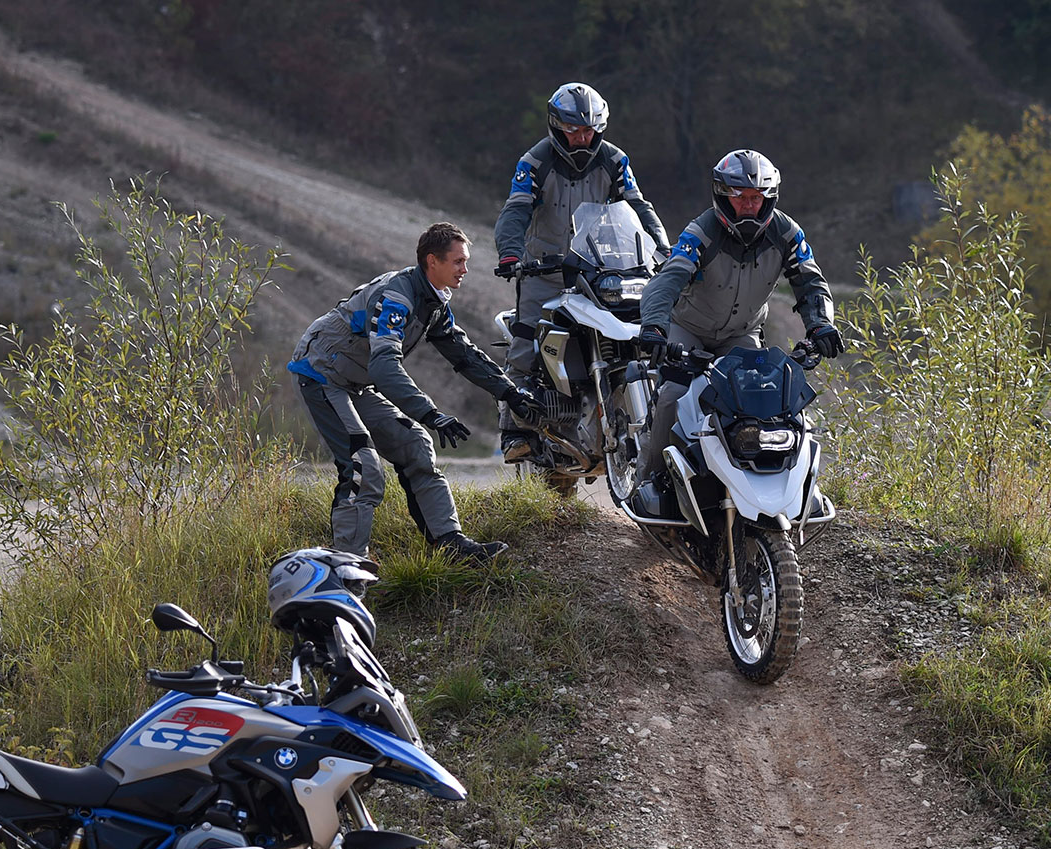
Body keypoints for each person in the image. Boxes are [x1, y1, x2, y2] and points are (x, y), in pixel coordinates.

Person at [288, 222, 543, 563]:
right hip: (320, 376)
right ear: (432, 261)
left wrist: (510, 394)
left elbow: (465, 355)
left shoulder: (433, 302)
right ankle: (348, 566)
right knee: (364, 466)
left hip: (354, 383)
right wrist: (430, 413)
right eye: (458, 261)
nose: (465, 269)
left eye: (465, 262)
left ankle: (451, 546)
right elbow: (384, 367)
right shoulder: (397, 298)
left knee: (416, 445)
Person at [630, 149, 842, 518]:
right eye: (739, 197)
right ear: (722, 196)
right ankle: (650, 481)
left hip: (742, 335)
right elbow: (667, 281)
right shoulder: (701, 232)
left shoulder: (786, 233)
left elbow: (811, 282)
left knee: (760, 401)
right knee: (674, 394)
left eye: (756, 198)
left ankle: (771, 487)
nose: (748, 205)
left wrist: (821, 323)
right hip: (688, 328)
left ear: (769, 198)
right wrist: (654, 326)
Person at [493, 82, 669, 460]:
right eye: (573, 130)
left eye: (589, 130)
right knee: (525, 342)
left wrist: (662, 246)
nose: (582, 139)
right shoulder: (534, 162)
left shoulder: (614, 160)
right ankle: (513, 431)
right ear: (556, 126)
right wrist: (510, 253)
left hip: (598, 269)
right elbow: (516, 209)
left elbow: (638, 205)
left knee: (638, 331)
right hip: (544, 271)